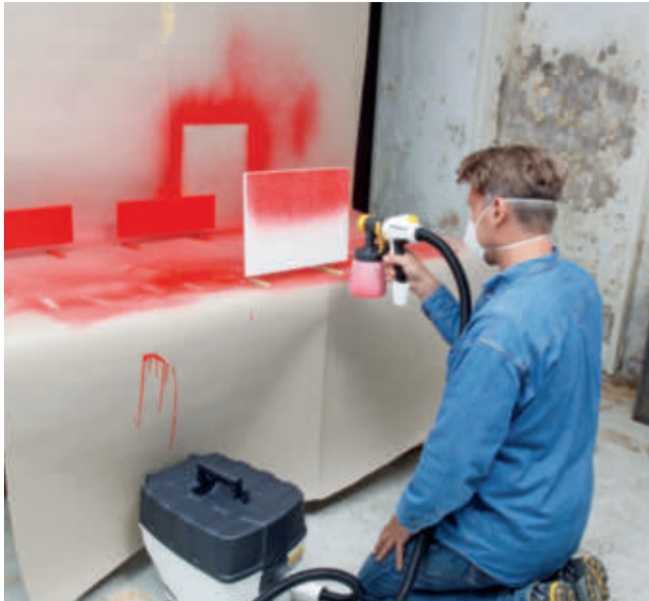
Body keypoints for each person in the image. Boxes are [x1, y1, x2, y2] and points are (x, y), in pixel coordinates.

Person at [358, 146, 609, 601]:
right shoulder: (578, 286)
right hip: (562, 521)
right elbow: (505, 361)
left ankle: (526, 596)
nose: (470, 223)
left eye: (473, 209)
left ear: (498, 211)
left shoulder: (501, 329)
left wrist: (405, 520)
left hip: (505, 539)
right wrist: (429, 289)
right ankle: (555, 581)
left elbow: (454, 463)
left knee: (376, 583)